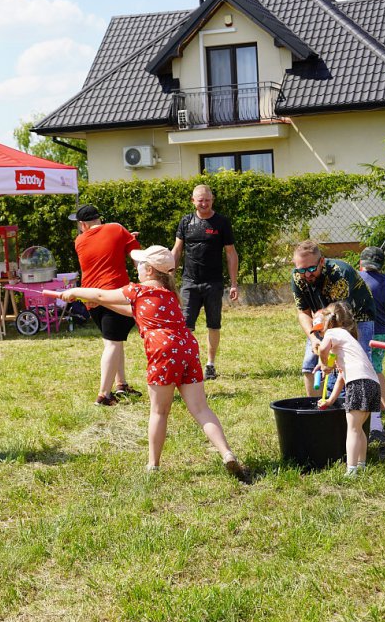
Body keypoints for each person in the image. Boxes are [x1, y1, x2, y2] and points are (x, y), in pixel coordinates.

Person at [58, 245, 247, 480]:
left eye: (139, 264)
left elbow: (99, 294)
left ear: (148, 269)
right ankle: (227, 453)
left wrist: (75, 291)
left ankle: (153, 465)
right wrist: (101, 303)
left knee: (159, 411)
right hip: (187, 346)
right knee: (201, 408)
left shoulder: (136, 290)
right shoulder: (170, 294)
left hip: (162, 350)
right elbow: (133, 312)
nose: (136, 267)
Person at [291, 240, 385, 449]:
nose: (307, 274)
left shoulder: (337, 273)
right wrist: (314, 339)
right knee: (310, 366)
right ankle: (320, 418)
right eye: (301, 270)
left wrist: (329, 359)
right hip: (322, 319)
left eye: (311, 268)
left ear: (322, 261)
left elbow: (337, 322)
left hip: (355, 317)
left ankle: (373, 426)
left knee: (359, 369)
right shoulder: (297, 277)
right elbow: (303, 312)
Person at [69, 203, 143, 405]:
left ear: (83, 224)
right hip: (114, 294)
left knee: (113, 341)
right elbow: (136, 256)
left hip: (91, 298)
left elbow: (104, 246)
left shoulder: (79, 241)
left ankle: (121, 385)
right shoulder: (117, 229)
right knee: (112, 343)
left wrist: (126, 237)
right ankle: (103, 395)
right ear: (98, 218)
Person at [171, 184, 240, 380]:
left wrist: (233, 283)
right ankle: (188, 363)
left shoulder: (221, 222)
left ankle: (210, 364)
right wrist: (169, 277)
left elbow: (231, 253)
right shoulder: (186, 222)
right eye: (200, 200)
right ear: (193, 201)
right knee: (185, 326)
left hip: (213, 283)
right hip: (189, 282)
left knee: (213, 324)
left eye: (207, 200)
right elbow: (176, 251)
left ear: (212, 200)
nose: (204, 203)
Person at [314, 302, 381, 477]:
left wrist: (324, 364)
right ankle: (361, 464)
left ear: (328, 323)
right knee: (358, 428)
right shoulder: (347, 343)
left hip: (359, 383)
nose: (320, 334)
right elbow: (342, 377)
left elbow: (322, 349)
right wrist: (330, 400)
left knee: (352, 429)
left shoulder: (333, 333)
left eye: (319, 330)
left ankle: (350, 471)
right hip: (372, 384)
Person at [358, 246, 385, 415]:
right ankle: (384, 404)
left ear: (360, 263)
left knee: (365, 369)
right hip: (383, 331)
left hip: (365, 330)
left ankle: (373, 406)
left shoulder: (357, 279)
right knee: (377, 368)